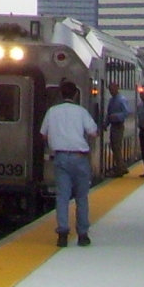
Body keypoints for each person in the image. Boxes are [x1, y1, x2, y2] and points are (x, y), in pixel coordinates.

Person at [40, 80, 100, 247]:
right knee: (81, 197)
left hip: (60, 157)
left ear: (60, 94)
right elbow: (93, 133)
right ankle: (82, 235)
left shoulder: (52, 111)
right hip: (80, 158)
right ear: (75, 94)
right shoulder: (81, 112)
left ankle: (63, 234)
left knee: (62, 196)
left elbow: (43, 134)